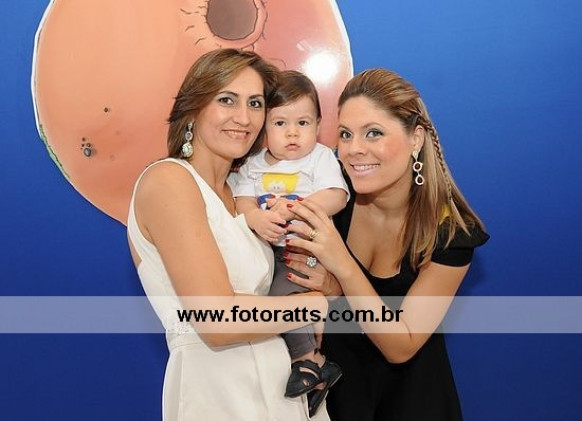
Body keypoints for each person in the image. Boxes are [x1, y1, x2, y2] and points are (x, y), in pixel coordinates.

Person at [126, 48, 330, 421]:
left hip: (281, 387)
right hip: (218, 393)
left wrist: (322, 284)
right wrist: (315, 305)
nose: (244, 117)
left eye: (255, 103)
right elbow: (217, 319)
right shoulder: (169, 181)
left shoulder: (242, 195)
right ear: (193, 108)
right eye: (226, 100)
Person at [282, 68, 490, 420]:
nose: (354, 150)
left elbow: (401, 345)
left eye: (373, 133)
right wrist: (331, 292)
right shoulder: (333, 197)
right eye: (345, 134)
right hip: (338, 402)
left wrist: (342, 271)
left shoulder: (450, 233)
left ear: (415, 138)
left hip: (414, 404)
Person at [232, 70, 348, 408]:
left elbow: (337, 195)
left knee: (281, 297)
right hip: (272, 252)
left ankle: (307, 361)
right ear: (264, 127)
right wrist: (257, 218)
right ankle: (321, 368)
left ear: (318, 125)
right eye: (280, 123)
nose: (292, 133)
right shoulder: (253, 165)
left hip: (308, 250)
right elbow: (243, 202)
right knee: (270, 297)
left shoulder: (320, 157)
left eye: (303, 123)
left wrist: (298, 207)